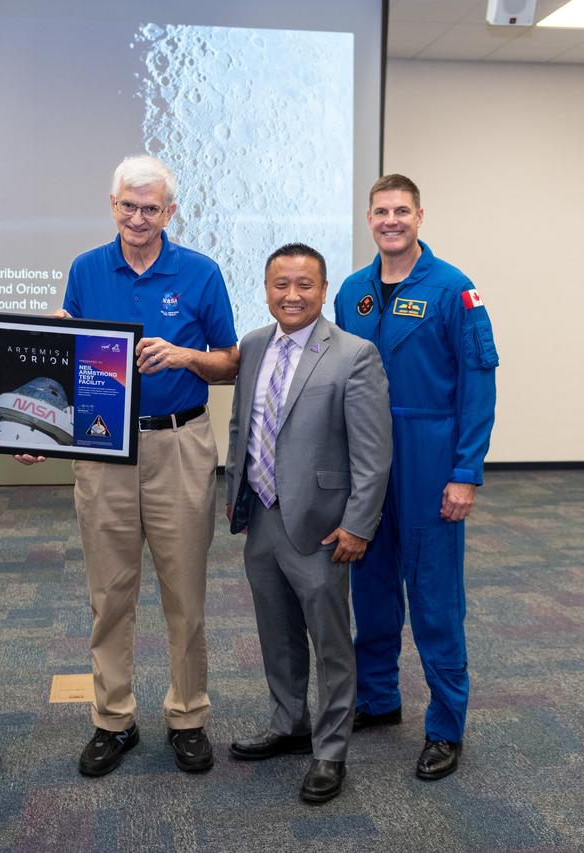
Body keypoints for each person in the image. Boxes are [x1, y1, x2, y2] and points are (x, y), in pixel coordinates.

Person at [20, 155, 239, 777]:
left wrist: (185, 356)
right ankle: (113, 719)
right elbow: (75, 361)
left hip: (179, 443)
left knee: (184, 592)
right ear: (112, 204)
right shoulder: (87, 270)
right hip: (102, 449)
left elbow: (229, 361)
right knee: (110, 593)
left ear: (170, 212)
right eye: (128, 206)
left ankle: (188, 715)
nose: (138, 218)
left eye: (151, 208)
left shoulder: (200, 272)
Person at [333, 174, 499, 781]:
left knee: (433, 599)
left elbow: (479, 383)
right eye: (381, 211)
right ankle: (378, 699)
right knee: (371, 589)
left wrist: (465, 472)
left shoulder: (455, 289)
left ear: (420, 216)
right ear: (369, 219)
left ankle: (446, 727)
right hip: (365, 465)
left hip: (430, 461)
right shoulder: (352, 292)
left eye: (402, 210)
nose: (391, 221)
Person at [224, 243, 391, 804]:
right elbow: (242, 426)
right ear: (266, 289)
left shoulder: (353, 354)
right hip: (263, 516)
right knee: (277, 632)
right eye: (280, 285)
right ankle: (288, 723)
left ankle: (330, 750)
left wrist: (358, 525)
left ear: (323, 291)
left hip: (323, 525)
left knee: (330, 640)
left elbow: (373, 454)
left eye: (304, 285)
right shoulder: (250, 346)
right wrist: (237, 498)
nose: (291, 296)